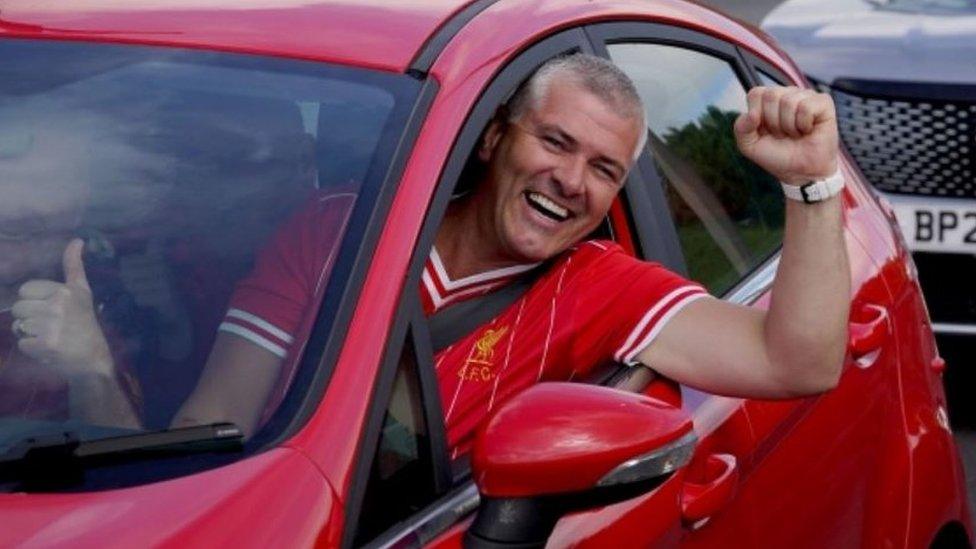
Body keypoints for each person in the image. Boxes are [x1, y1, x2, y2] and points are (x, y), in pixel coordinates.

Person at [169, 53, 849, 452]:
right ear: (495, 139)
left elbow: (798, 362)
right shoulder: (337, 229)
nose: (572, 180)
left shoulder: (601, 286)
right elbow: (215, 417)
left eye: (604, 169)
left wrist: (812, 183)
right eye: (554, 142)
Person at [0, 113, 140, 428]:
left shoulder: (99, 309)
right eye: (4, 178)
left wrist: (90, 369)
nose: (15, 209)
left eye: (43, 183)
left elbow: (132, 464)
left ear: (79, 206)